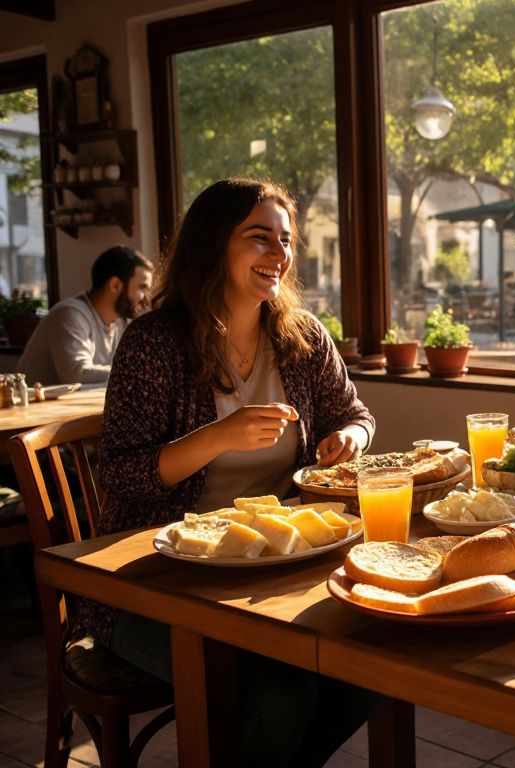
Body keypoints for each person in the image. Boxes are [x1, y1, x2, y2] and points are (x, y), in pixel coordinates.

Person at [90, 178, 377, 767]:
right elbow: (118, 475)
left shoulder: (300, 336)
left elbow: (357, 414)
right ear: (214, 242)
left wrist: (349, 436)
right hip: (156, 583)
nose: (279, 254)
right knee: (280, 692)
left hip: (272, 570)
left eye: (285, 240)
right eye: (259, 238)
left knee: (368, 670)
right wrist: (217, 436)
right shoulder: (154, 343)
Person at [17, 245, 152, 385]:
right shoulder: (70, 314)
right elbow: (76, 374)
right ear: (115, 285)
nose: (146, 297)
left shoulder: (120, 322)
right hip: (38, 406)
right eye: (142, 287)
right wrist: (137, 373)